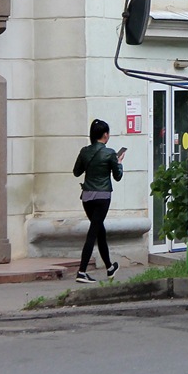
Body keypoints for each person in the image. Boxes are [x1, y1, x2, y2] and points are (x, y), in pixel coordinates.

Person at [72, 118, 124, 283]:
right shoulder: (109, 153)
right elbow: (118, 176)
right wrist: (119, 163)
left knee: (99, 231)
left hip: (87, 197)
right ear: (105, 135)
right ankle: (81, 272)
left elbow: (76, 172)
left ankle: (110, 268)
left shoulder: (84, 151)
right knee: (93, 233)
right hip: (102, 197)